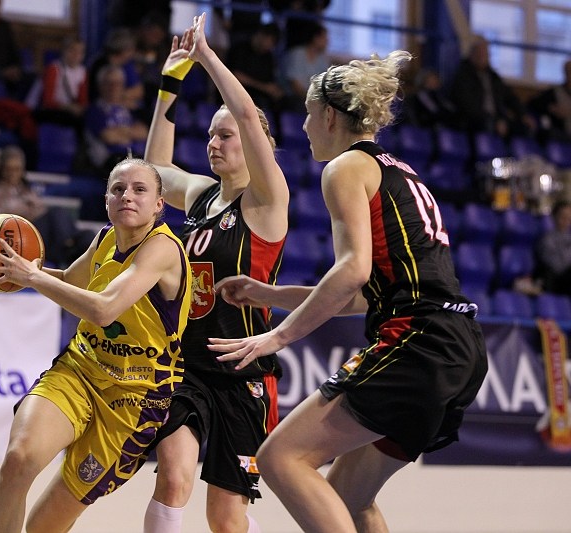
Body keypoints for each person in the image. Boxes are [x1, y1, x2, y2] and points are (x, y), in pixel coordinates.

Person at [209, 49, 488, 532]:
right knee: (347, 497)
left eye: (308, 114)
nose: (303, 127)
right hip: (459, 345)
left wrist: (277, 336)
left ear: (330, 117)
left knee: (280, 458)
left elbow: (352, 271)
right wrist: (268, 294)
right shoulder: (399, 170)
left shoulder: (344, 168)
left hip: (418, 341)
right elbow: (363, 294)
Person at [0, 157, 192, 533]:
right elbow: (68, 282)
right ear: (106, 201)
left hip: (134, 398)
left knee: (43, 527)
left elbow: (103, 309)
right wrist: (15, 271)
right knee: (18, 459)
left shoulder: (162, 249)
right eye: (118, 189)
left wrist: (33, 277)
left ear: (159, 204)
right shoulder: (105, 238)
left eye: (139, 189)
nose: (127, 196)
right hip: (80, 370)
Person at [142, 14, 289, 533]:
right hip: (188, 365)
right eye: (210, 135)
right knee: (172, 479)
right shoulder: (203, 195)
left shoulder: (268, 200)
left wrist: (205, 56)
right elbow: (155, 172)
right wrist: (169, 84)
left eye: (225, 135)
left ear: (253, 142)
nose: (214, 142)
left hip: (243, 372)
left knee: (225, 519)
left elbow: (247, 114)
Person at [0, 145, 92, 267]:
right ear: (2, 170)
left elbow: (41, 208)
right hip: (23, 234)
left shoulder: (25, 188)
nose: (13, 173)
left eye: (17, 169)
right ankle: (67, 246)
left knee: (88, 236)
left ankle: (71, 246)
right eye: (9, 169)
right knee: (56, 213)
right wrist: (18, 216)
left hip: (44, 232)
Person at [449, 35, 535, 138]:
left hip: (497, 118)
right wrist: (493, 120)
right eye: (479, 53)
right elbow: (468, 106)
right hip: (474, 121)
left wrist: (523, 114)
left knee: (524, 127)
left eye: (485, 53)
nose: (483, 57)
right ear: (472, 54)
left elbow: (510, 97)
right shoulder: (463, 75)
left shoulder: (493, 77)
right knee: (489, 125)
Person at [84, 64, 149, 175]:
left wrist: (120, 131)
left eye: (118, 83)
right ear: (100, 86)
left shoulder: (130, 108)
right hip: (111, 160)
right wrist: (131, 133)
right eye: (109, 83)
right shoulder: (95, 110)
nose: (113, 88)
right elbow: (109, 137)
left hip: (135, 157)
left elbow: (144, 133)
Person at [226, 21, 286, 116]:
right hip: (236, 93)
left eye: (273, 44)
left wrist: (275, 91)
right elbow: (236, 76)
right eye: (270, 41)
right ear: (261, 35)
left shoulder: (268, 57)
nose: (270, 46)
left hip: (259, 97)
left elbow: (269, 81)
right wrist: (264, 87)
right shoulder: (240, 48)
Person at [35, 36, 89, 132]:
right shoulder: (54, 69)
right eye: (72, 51)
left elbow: (83, 100)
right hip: (50, 110)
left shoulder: (82, 72)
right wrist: (68, 107)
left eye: (80, 52)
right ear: (64, 51)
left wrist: (81, 109)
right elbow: (47, 101)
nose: (76, 55)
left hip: (70, 110)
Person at [281, 21, 329, 113]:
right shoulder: (297, 54)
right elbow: (295, 85)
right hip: (294, 97)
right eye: (324, 38)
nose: (327, 41)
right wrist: (311, 99)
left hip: (313, 98)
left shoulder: (322, 58)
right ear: (315, 38)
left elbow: (324, 83)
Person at [529, 59, 571, 143]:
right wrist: (552, 108)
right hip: (561, 133)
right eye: (568, 72)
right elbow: (533, 103)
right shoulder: (555, 92)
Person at [534, 200, 571, 296]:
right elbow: (557, 266)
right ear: (554, 217)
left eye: (569, 217)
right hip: (557, 282)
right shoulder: (547, 240)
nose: (566, 220)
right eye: (563, 216)